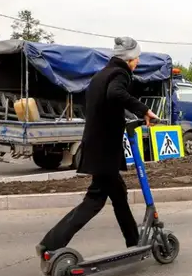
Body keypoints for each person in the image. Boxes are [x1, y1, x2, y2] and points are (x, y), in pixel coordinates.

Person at [36, 37, 158, 259]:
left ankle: (134, 241)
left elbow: (106, 103)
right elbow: (116, 94)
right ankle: (51, 244)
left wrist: (123, 116)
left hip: (97, 146)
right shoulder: (119, 74)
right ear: (129, 58)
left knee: (119, 195)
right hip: (104, 152)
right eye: (137, 57)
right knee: (94, 201)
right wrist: (143, 110)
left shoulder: (101, 75)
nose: (138, 61)